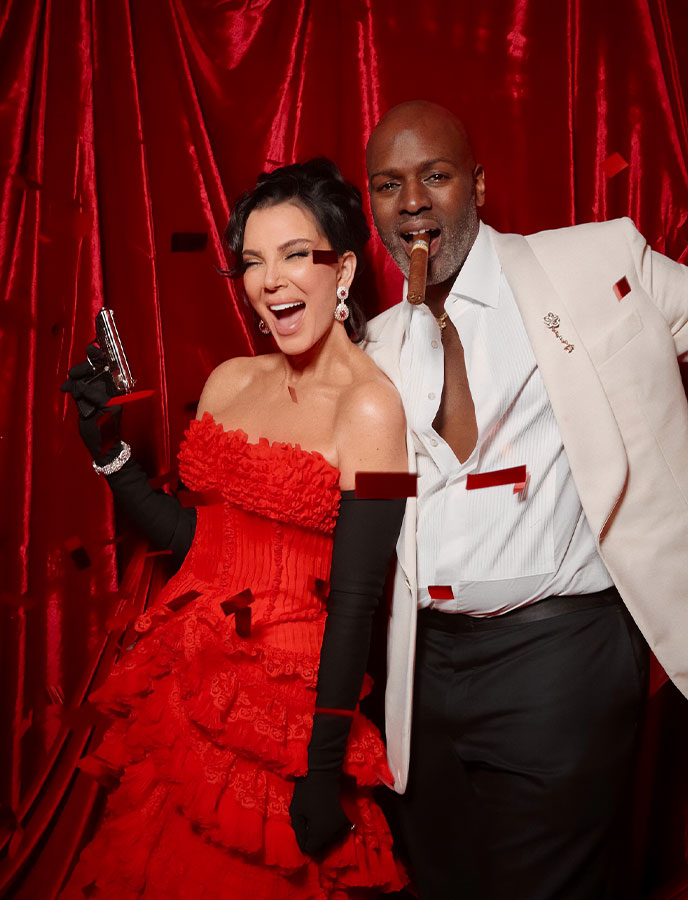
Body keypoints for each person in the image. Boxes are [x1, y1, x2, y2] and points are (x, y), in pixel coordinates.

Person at [362, 100, 688, 900]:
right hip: (422, 671)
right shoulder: (373, 345)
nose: (412, 201)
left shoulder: (588, 263)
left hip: (562, 657)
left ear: (477, 184)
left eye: (435, 175)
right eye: (388, 184)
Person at [59, 158, 408, 899]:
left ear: (344, 269)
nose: (270, 280)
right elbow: (199, 545)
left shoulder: (375, 408)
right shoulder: (229, 380)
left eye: (294, 254)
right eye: (252, 261)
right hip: (186, 688)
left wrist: (321, 770)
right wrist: (109, 451)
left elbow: (357, 602)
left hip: (285, 718)